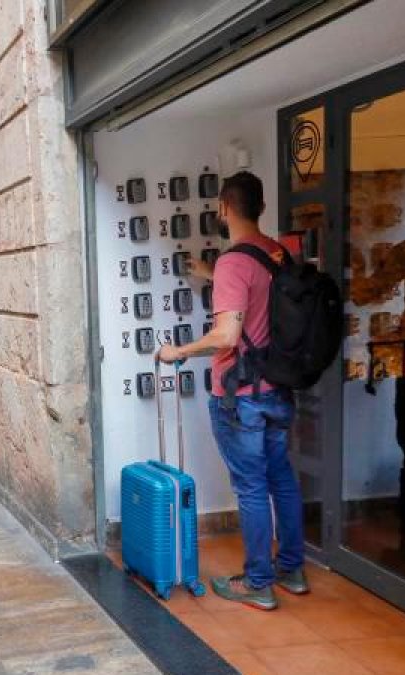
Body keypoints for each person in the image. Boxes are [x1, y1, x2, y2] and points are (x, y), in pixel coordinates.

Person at [157, 171, 306, 611]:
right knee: (281, 477)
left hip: (241, 396)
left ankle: (258, 582)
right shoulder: (275, 254)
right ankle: (292, 571)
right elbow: (260, 301)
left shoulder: (233, 263)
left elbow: (226, 335)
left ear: (223, 207)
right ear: (259, 207)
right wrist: (210, 272)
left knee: (251, 487)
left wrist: (177, 351)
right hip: (279, 388)